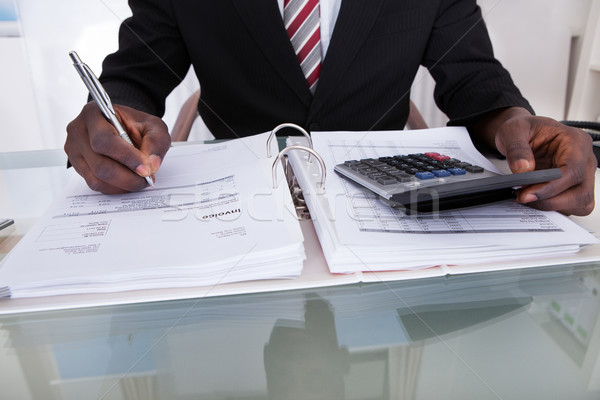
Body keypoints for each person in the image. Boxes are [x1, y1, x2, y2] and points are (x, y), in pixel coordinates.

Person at [65, 0, 596, 216]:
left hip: (384, 202)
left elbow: (475, 78)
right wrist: (111, 116)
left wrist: (516, 125)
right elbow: (137, 73)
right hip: (243, 204)